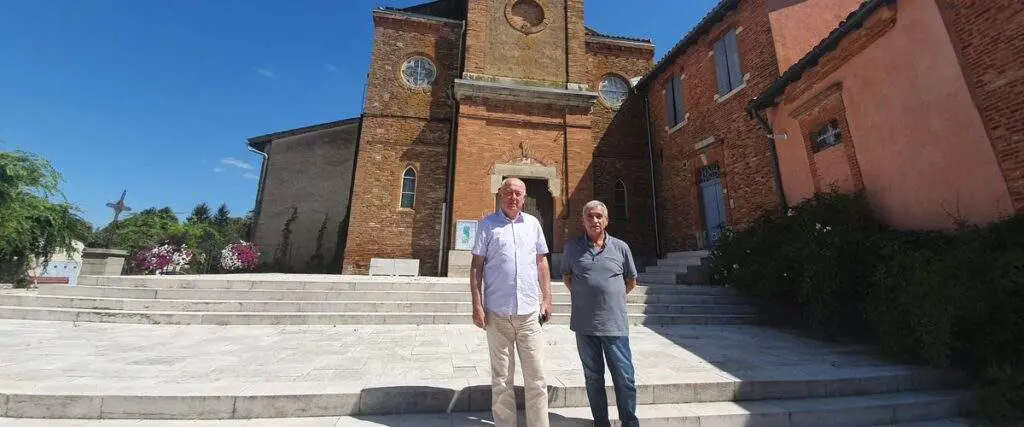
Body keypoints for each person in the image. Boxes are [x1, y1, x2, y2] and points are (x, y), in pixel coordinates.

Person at [470, 177, 553, 427]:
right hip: (497, 314)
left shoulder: (533, 224)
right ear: (500, 194)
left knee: (537, 377)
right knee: (502, 379)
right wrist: (477, 304)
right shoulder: (487, 225)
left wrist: (547, 298)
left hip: (529, 314)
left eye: (518, 193)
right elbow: (476, 266)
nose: (513, 197)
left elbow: (541, 261)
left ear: (524, 198)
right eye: (508, 192)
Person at [562, 200, 639, 427]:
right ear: (582, 220)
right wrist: (588, 297)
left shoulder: (621, 248)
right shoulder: (572, 248)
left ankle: (629, 422)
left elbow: (631, 281)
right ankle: (601, 422)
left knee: (624, 376)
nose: (594, 220)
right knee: (593, 377)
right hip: (584, 325)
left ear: (606, 220)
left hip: (615, 325)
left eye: (599, 216)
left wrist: (610, 298)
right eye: (590, 216)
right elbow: (567, 277)